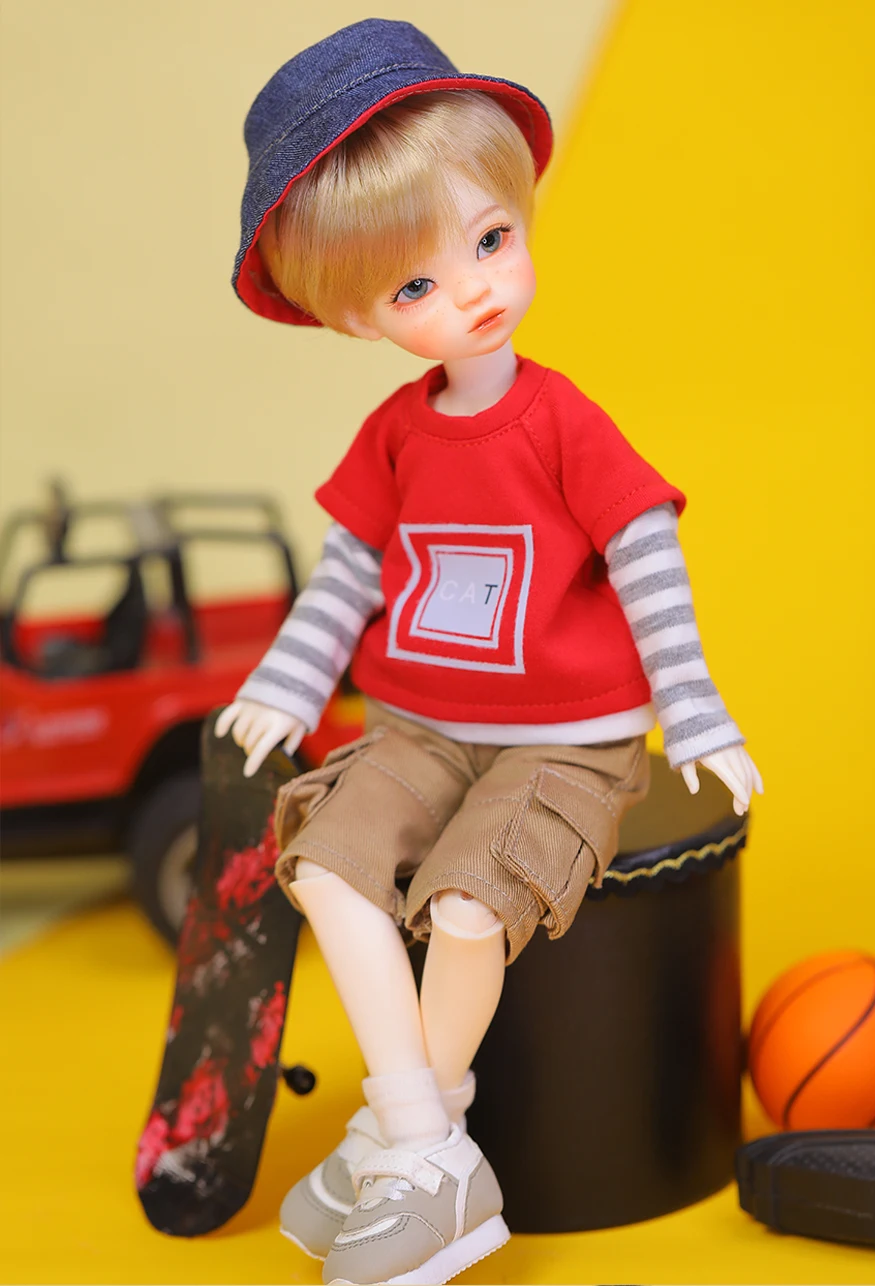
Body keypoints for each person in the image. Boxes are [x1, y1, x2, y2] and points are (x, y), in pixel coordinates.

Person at [220, 19, 763, 1286]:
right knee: (327, 868)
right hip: (417, 728)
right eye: (412, 288)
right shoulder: (396, 436)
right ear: (356, 317)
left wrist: (696, 708)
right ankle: (422, 1138)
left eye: (490, 239)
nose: (471, 289)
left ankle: (409, 1147)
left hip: (564, 740)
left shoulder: (560, 420)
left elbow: (646, 552)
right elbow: (348, 572)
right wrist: (286, 682)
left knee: (467, 903)